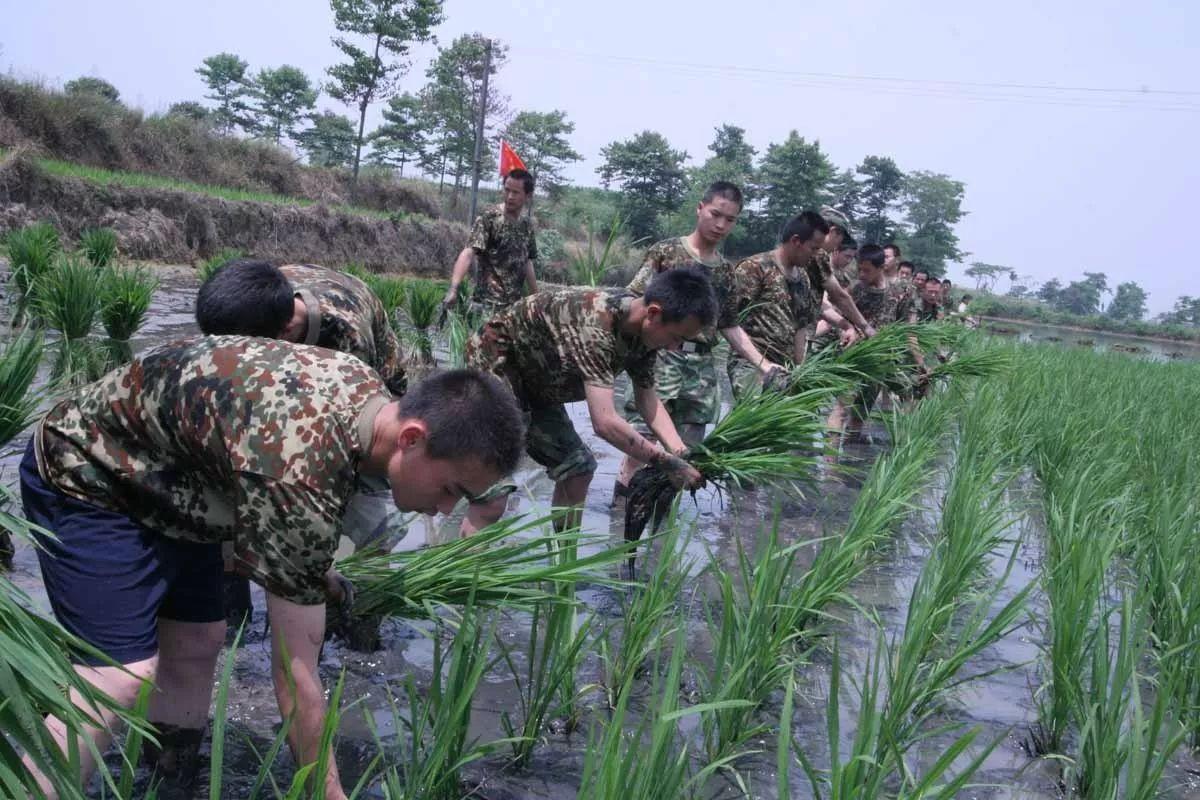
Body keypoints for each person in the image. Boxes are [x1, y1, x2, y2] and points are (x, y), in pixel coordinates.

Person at [19, 339, 523, 799]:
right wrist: (329, 793)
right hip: (90, 470)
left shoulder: (366, 394)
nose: (443, 509)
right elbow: (294, 673)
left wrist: (302, 570)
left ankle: (169, 783)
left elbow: (263, 474)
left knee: (198, 644)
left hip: (179, 479)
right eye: (451, 490)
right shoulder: (298, 469)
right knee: (120, 676)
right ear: (412, 437)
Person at [196, 259, 410, 627]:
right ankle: (234, 622)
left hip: (373, 403)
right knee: (228, 504)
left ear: (278, 336)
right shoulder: (248, 310)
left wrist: (309, 558)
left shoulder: (346, 342)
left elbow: (335, 455)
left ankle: (360, 622)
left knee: (369, 523)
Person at [462, 268, 711, 533]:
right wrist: (666, 462)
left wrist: (682, 452)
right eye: (676, 338)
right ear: (653, 314)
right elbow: (604, 423)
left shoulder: (644, 336)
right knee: (493, 493)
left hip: (539, 383)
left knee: (578, 468)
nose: (675, 348)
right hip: (495, 364)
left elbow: (647, 401)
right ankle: (462, 569)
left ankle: (562, 563)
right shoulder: (596, 325)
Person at [614, 181, 785, 493]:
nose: (721, 225)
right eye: (715, 214)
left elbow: (730, 325)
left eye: (730, 219)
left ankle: (661, 524)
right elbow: (633, 303)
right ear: (700, 208)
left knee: (689, 450)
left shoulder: (725, 272)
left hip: (702, 369)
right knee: (642, 442)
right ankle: (622, 512)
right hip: (660, 357)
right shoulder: (666, 252)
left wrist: (765, 366)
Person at [725, 215, 846, 399]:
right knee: (756, 420)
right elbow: (729, 321)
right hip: (750, 363)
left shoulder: (803, 278)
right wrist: (762, 364)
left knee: (783, 423)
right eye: (813, 249)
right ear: (796, 241)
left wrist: (799, 370)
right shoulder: (755, 268)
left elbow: (800, 326)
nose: (816, 255)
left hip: (784, 368)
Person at [825, 245, 909, 446]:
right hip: (852, 358)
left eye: (867, 270)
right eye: (859, 269)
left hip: (878, 363)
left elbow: (902, 327)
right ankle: (830, 463)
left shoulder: (897, 294)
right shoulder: (854, 290)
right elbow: (836, 317)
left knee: (861, 412)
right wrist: (846, 331)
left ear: (881, 268)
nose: (861, 274)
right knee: (841, 408)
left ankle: (850, 457)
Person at [444, 168, 539, 321]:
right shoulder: (490, 218)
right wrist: (453, 288)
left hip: (513, 308)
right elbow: (468, 252)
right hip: (486, 306)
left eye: (515, 192)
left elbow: (527, 262)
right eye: (507, 190)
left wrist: (536, 298)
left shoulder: (526, 225)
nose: (509, 196)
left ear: (528, 195)